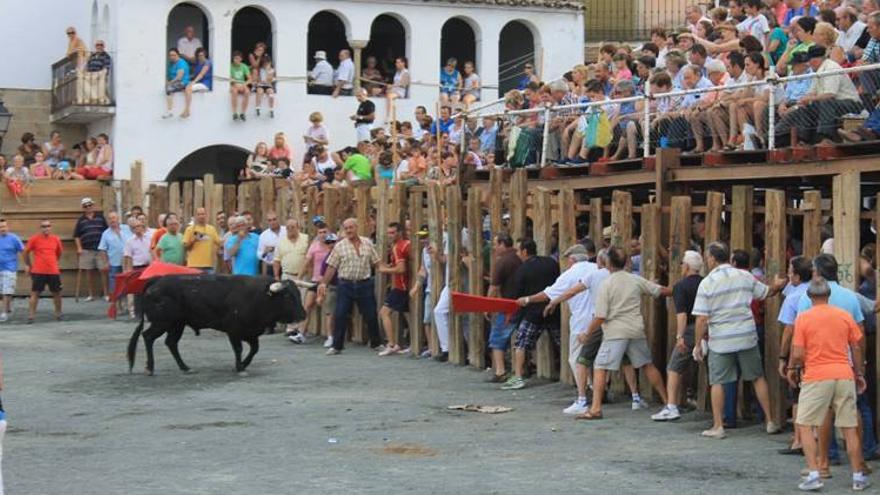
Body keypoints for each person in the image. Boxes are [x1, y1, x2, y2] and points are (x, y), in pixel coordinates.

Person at [692, 241, 786, 439]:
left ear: (711, 258)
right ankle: (770, 420)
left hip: (721, 339)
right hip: (746, 335)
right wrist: (777, 285)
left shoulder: (707, 283)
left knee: (717, 381)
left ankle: (718, 426)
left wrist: (698, 343)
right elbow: (766, 293)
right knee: (757, 377)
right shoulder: (744, 276)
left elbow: (701, 318)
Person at [789, 278, 869, 492]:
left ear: (809, 296)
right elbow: (856, 345)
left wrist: (795, 367)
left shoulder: (804, 319)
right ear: (828, 295)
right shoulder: (843, 316)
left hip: (817, 375)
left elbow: (797, 353)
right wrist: (858, 372)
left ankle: (815, 473)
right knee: (849, 427)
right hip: (844, 374)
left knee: (805, 424)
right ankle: (858, 476)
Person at [576, 246, 671, 420]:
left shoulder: (607, 284)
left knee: (600, 367)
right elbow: (659, 290)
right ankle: (669, 403)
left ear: (608, 264)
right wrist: (678, 289)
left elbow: (600, 316)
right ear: (627, 261)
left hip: (615, 332)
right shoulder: (635, 279)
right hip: (635, 329)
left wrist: (587, 333)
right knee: (647, 364)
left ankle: (596, 408)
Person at [517, 243, 597, 413]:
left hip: (582, 321)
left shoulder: (570, 274)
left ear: (572, 259)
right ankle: (597, 391)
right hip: (601, 319)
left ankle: (584, 395)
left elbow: (548, 294)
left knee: (576, 358)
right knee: (598, 359)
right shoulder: (598, 269)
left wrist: (527, 300)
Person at [500, 238, 560, 391]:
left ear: (525, 252)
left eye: (519, 251)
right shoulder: (551, 263)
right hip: (553, 309)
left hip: (533, 312)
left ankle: (519, 376)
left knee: (521, 344)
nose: (518, 254)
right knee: (562, 343)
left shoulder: (522, 270)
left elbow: (515, 295)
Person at [652, 250, 703, 421]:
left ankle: (672, 406)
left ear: (687, 266)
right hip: (709, 329)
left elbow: (681, 314)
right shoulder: (705, 282)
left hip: (690, 329)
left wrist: (679, 336)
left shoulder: (681, 286)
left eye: (682, 263)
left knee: (674, 367)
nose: (681, 266)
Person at [319, 218, 383, 355]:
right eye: (346, 228)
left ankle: (376, 343)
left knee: (371, 314)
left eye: (351, 227)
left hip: (364, 283)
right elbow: (331, 267)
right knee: (340, 314)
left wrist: (389, 269)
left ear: (357, 227)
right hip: (345, 284)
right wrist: (324, 283)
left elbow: (377, 262)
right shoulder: (340, 246)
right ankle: (337, 346)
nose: (348, 230)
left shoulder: (367, 243)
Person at [775, 255, 814, 456]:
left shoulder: (793, 298)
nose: (787, 274)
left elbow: (789, 330)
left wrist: (783, 357)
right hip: (819, 350)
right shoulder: (818, 292)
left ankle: (799, 439)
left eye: (790, 271)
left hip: (800, 351)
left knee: (798, 395)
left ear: (797, 276)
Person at [273, 218, 309, 341]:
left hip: (303, 275)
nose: (290, 230)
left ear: (298, 227)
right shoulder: (281, 242)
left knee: (303, 301)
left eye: (292, 227)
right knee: (288, 301)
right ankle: (290, 327)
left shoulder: (306, 239)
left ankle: (301, 328)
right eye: (288, 227)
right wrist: (276, 276)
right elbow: (276, 260)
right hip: (287, 275)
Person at [377, 222, 410, 356]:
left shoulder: (399, 247)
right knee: (408, 315)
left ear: (400, 233)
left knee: (384, 313)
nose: (390, 235)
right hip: (404, 285)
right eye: (389, 233)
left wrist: (385, 269)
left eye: (393, 233)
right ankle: (412, 343)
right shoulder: (406, 244)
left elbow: (401, 269)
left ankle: (391, 344)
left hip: (400, 286)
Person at [24, 220, 63, 323]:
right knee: (35, 293)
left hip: (53, 271)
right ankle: (31, 316)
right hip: (38, 271)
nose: (46, 228)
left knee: (57, 293)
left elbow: (59, 253)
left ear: (51, 227)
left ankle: (58, 314)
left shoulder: (56, 239)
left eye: (48, 226)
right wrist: (28, 265)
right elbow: (25, 252)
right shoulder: (34, 239)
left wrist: (53, 262)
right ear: (40, 228)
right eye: (43, 226)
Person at [73, 197, 108, 301]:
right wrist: (79, 248)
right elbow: (76, 235)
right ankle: (91, 294)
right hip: (86, 249)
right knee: (89, 272)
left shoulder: (101, 218)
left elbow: (106, 233)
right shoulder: (81, 220)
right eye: (85, 206)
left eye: (89, 205)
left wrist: (106, 247)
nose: (88, 207)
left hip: (100, 249)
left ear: (93, 205)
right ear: (83, 208)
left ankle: (106, 294)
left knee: (103, 271)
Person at [301, 222, 330, 341]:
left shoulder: (332, 245)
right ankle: (301, 334)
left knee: (328, 309)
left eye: (324, 232)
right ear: (317, 234)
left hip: (327, 281)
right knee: (307, 306)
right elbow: (306, 261)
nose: (322, 234)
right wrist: (298, 277)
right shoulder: (314, 245)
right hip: (315, 280)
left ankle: (330, 337)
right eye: (320, 232)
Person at [97, 212, 129, 300]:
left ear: (118, 218)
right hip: (114, 262)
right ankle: (117, 305)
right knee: (115, 284)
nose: (112, 220)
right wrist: (106, 262)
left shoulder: (127, 228)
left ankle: (129, 304)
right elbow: (102, 249)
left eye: (114, 218)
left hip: (128, 261)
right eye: (110, 218)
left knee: (128, 282)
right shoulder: (105, 233)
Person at [182, 207, 221, 272]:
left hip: (208, 265)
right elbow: (185, 247)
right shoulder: (190, 229)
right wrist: (193, 241)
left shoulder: (212, 229)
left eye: (203, 214)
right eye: (199, 214)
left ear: (206, 215)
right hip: (193, 266)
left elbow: (219, 243)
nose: (201, 216)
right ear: (195, 216)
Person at [0, 219, 24, 322]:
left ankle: (4, 313)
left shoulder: (14, 238)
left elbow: (23, 251)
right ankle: (8, 308)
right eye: (0, 227)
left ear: (8, 227)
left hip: (10, 269)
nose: (2, 229)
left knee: (6, 291)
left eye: (4, 226)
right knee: (3, 291)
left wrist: (27, 264)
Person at [163, 48, 191, 119]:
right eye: (170, 55)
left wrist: (169, 83)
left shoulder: (181, 63)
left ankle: (169, 111)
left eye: (174, 55)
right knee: (169, 89)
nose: (172, 57)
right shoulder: (172, 63)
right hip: (175, 82)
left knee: (169, 89)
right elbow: (168, 75)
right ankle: (169, 111)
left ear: (178, 55)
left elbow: (179, 77)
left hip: (183, 82)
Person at [230, 51, 251, 121]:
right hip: (234, 84)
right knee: (234, 91)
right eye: (235, 58)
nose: (236, 60)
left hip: (242, 83)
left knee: (247, 92)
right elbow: (230, 78)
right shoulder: (230, 66)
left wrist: (244, 85)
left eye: (238, 58)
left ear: (241, 59)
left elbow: (250, 79)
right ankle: (235, 112)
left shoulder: (244, 66)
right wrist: (236, 85)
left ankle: (243, 113)